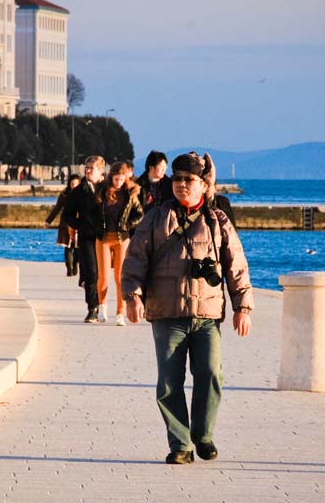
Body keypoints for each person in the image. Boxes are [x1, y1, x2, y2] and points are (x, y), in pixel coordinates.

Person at [121, 151, 253, 465]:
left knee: (211, 374)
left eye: (189, 179)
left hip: (207, 314)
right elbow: (135, 259)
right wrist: (132, 297)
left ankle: (203, 434)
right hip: (167, 313)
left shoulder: (217, 220)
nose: (182, 184)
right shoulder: (155, 217)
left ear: (203, 185)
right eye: (177, 178)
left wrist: (243, 307)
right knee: (169, 382)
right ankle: (180, 444)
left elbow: (236, 266)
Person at [96, 161, 144, 325]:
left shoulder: (130, 193)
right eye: (116, 179)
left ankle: (120, 313)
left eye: (122, 179)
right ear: (111, 177)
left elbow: (139, 213)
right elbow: (91, 212)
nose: (119, 182)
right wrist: (95, 225)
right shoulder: (102, 191)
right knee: (104, 276)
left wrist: (128, 225)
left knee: (120, 277)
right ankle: (102, 307)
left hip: (122, 239)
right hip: (103, 238)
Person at [64, 155, 107, 323]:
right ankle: (93, 308)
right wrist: (80, 225)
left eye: (91, 168)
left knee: (106, 274)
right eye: (86, 167)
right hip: (87, 236)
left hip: (107, 237)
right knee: (91, 272)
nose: (88, 170)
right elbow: (68, 214)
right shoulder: (78, 191)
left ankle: (109, 306)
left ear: (101, 171)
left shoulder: (108, 189)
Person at [46, 174, 81, 276]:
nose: (74, 186)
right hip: (66, 223)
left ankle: (75, 263)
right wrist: (48, 221)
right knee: (68, 247)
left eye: (76, 184)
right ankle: (69, 268)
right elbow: (57, 208)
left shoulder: (83, 195)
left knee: (78, 247)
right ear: (69, 184)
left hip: (79, 223)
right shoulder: (64, 195)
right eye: (72, 184)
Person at [202, 155, 236, 225]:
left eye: (208, 186)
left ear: (215, 188)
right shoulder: (194, 202)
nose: (205, 188)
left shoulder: (222, 202)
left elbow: (231, 225)